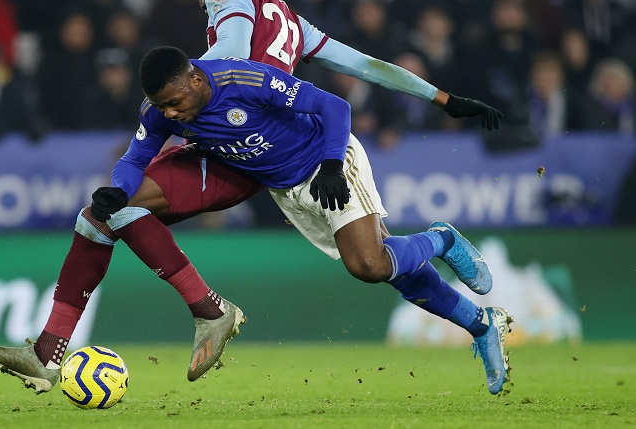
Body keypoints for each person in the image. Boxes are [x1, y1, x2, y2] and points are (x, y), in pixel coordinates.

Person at [0, 0, 505, 394]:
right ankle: (57, 350)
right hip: (248, 156)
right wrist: (441, 97)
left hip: (304, 150)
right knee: (104, 214)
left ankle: (441, 239)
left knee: (371, 262)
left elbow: (232, 53)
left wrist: (195, 82)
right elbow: (365, 65)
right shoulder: (294, 25)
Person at [112, 48, 512, 394]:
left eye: (174, 102)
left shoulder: (245, 80)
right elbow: (134, 160)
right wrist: (116, 191)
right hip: (287, 190)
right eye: (162, 106)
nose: (170, 113)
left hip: (328, 163)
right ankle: (481, 325)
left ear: (196, 80)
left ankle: (442, 239)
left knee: (369, 264)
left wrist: (333, 164)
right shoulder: (161, 110)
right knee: (391, 267)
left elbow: (335, 106)